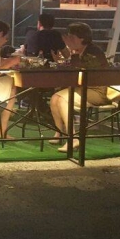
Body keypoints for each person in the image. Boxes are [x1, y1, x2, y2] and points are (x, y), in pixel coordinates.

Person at [49, 22, 111, 153]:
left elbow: (83, 71)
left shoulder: (93, 51)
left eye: (72, 38)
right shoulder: (79, 51)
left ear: (82, 38)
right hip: (83, 88)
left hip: (98, 90)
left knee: (63, 100)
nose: (69, 41)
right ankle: (60, 133)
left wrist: (72, 53)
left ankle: (73, 138)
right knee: (54, 98)